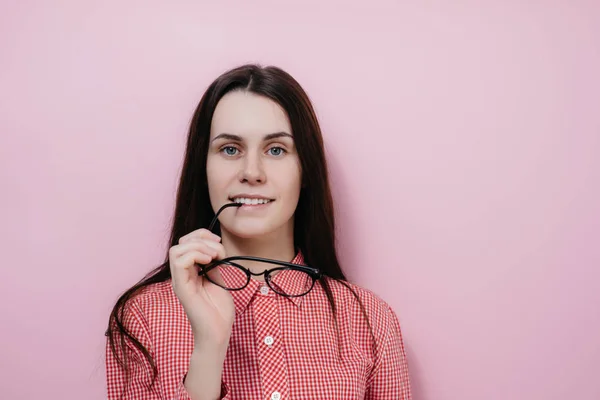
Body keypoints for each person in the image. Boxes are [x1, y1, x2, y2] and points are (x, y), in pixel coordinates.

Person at [105, 64, 412, 400]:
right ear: (203, 168)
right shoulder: (142, 316)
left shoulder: (369, 320)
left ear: (305, 169)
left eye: (276, 150)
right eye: (230, 149)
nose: (251, 172)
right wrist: (208, 348)